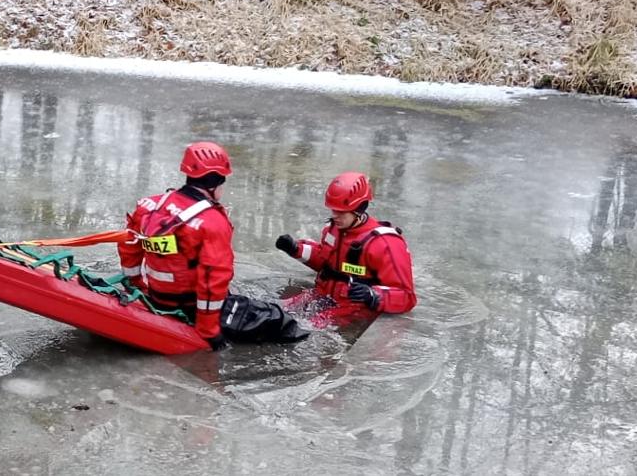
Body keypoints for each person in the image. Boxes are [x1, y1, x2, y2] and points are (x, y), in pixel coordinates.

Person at [119, 142, 305, 350]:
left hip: (156, 296)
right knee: (281, 321)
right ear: (216, 182)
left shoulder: (150, 205)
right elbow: (213, 278)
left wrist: (136, 286)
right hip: (190, 307)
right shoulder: (212, 222)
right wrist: (209, 330)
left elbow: (129, 246)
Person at [274, 172, 417, 326]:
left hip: (355, 307)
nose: (334, 215)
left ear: (359, 209)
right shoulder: (334, 230)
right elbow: (326, 263)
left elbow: (407, 297)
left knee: (308, 326)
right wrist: (296, 249)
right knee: (277, 311)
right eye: (333, 210)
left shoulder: (385, 244)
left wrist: (373, 295)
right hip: (323, 295)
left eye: (341, 211)